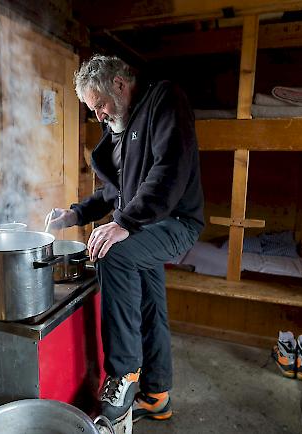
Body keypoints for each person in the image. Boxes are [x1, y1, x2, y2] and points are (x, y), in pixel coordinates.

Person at [46, 54, 204, 425]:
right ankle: (157, 395)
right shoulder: (118, 128)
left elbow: (170, 170)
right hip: (146, 226)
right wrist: (76, 214)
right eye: (92, 109)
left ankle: (124, 373)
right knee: (151, 304)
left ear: (119, 84)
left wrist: (124, 223)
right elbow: (112, 191)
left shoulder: (164, 100)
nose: (98, 115)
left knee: (113, 254)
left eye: (98, 105)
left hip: (176, 221)